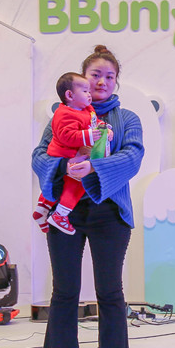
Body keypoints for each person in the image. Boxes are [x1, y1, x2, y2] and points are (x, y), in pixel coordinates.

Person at [31, 45, 143, 348]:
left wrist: (94, 167)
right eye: (95, 75)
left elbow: (133, 156)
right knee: (64, 289)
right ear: (81, 81)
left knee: (109, 290)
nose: (102, 82)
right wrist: (63, 166)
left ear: (116, 82)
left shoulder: (127, 119)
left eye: (109, 76)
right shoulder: (61, 115)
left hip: (110, 212)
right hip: (66, 213)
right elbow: (39, 155)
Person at [33, 72, 110, 235]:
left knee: (59, 183)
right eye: (85, 91)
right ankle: (60, 215)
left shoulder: (87, 109)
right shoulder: (64, 114)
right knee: (76, 183)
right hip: (63, 154)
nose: (89, 94)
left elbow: (94, 122)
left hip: (75, 154)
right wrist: (89, 135)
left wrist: (104, 128)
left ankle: (41, 210)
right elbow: (66, 136)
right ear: (69, 95)